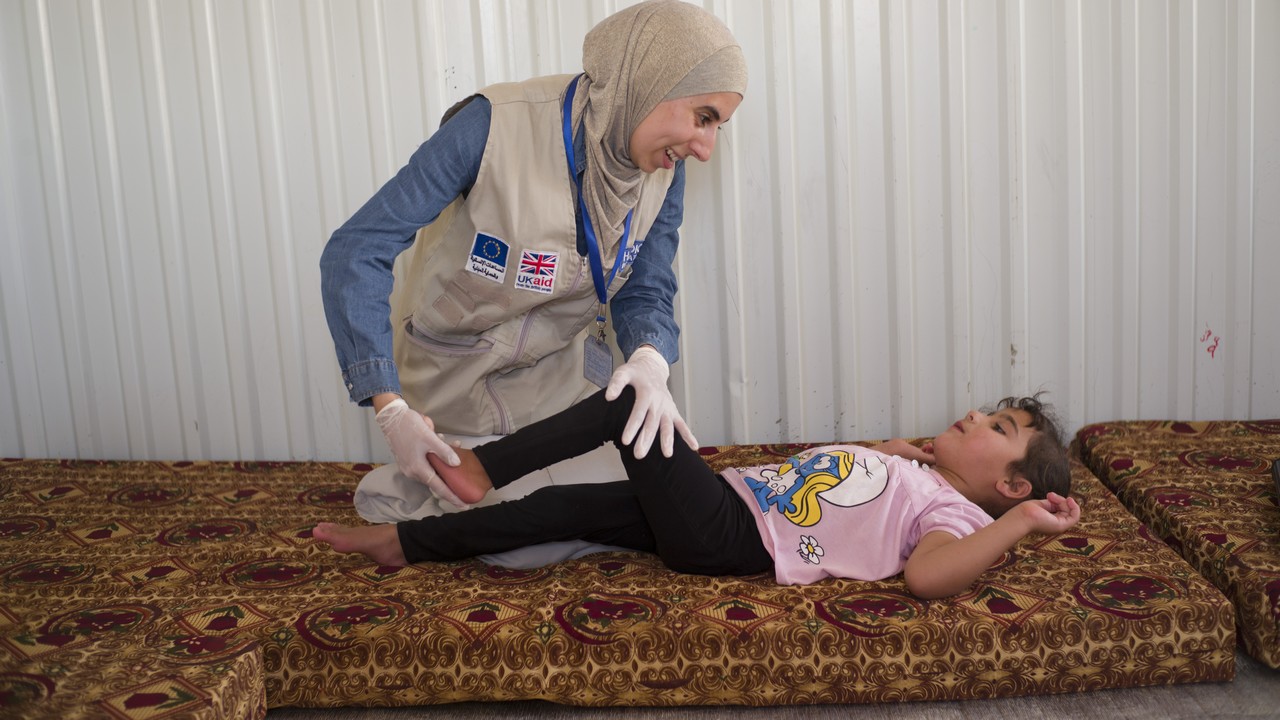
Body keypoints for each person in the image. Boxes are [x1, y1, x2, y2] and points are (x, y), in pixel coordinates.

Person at [319, 0, 747, 516]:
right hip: (456, 386)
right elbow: (356, 250)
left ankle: (460, 502)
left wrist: (649, 358)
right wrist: (389, 408)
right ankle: (408, 497)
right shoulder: (491, 127)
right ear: (651, 81)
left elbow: (646, 283)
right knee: (525, 537)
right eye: (704, 118)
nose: (706, 148)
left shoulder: (662, 168)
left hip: (555, 396)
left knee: (639, 503)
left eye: (718, 126)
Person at [314, 388, 1081, 599]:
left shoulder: (950, 513)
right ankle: (403, 545)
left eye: (999, 425)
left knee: (630, 405)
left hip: (730, 535)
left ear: (1011, 483)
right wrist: (885, 455)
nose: (976, 415)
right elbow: (850, 490)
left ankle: (481, 468)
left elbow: (928, 575)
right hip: (722, 505)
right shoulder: (915, 471)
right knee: (562, 510)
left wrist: (1018, 524)